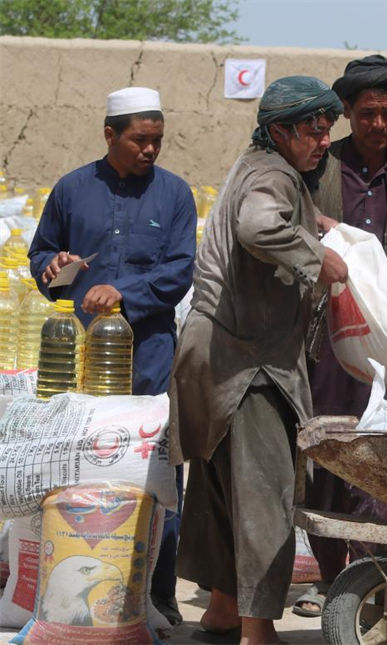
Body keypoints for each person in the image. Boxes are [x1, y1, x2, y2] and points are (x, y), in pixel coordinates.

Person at [168, 76, 347, 645]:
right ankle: (258, 630)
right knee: (264, 492)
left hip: (214, 354)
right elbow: (255, 224)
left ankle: (223, 609)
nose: (323, 139)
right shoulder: (273, 172)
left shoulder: (258, 164)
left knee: (221, 491)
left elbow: (262, 216)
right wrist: (316, 258)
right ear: (278, 131)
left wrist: (310, 223)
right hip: (247, 361)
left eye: (327, 128)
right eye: (310, 129)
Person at [28, 86, 196, 626]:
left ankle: (159, 595)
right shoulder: (72, 189)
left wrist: (124, 293)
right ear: (110, 134)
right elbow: (40, 255)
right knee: (76, 466)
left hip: (147, 356)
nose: (150, 150)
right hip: (80, 360)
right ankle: (76, 592)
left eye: (157, 141)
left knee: (155, 473)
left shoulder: (174, 195)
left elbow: (178, 271)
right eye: (139, 140)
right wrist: (53, 266)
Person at [295, 53, 387, 618]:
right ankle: (335, 580)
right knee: (330, 459)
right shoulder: (321, 168)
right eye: (368, 113)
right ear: (347, 111)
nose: (379, 125)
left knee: (382, 459)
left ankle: (373, 582)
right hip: (327, 340)